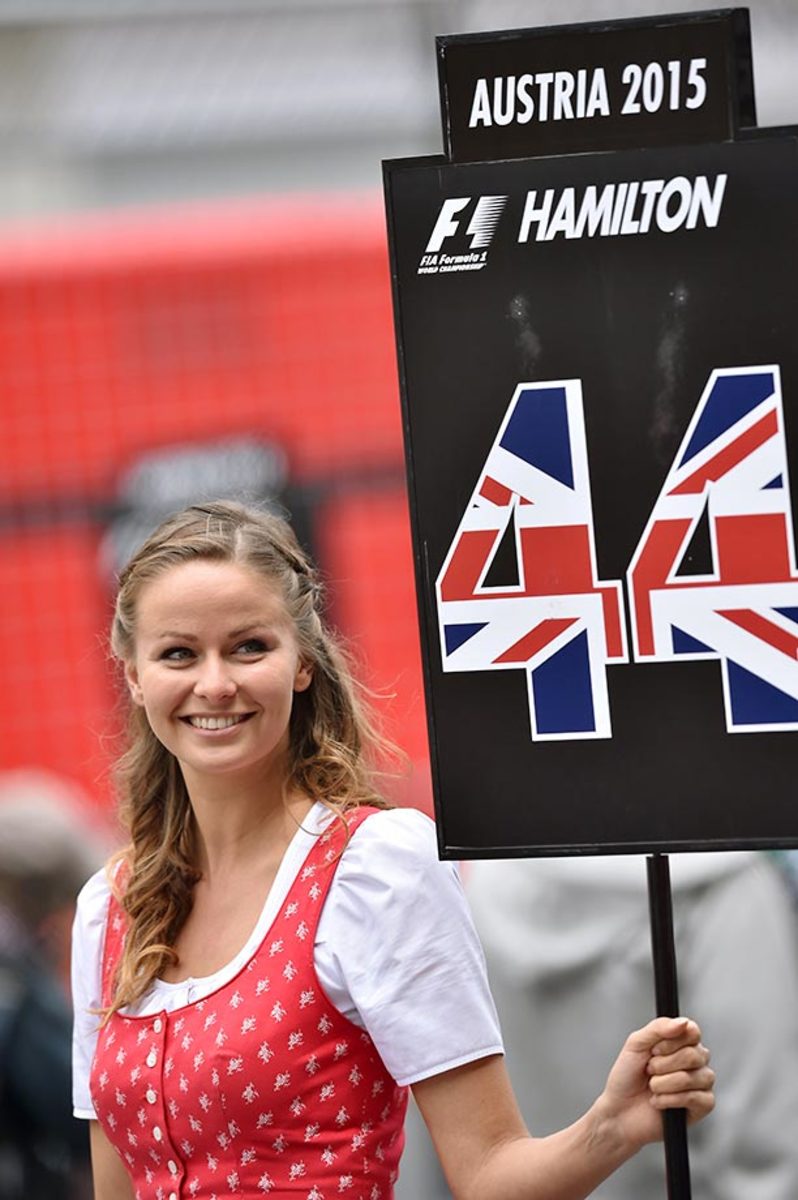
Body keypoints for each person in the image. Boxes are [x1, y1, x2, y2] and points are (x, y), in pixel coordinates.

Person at [71, 500, 715, 1200]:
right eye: (178, 654)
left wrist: (610, 1127)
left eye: (250, 646)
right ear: (134, 676)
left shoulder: (375, 870)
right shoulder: (112, 907)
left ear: (302, 662)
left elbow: (489, 1172)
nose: (216, 683)